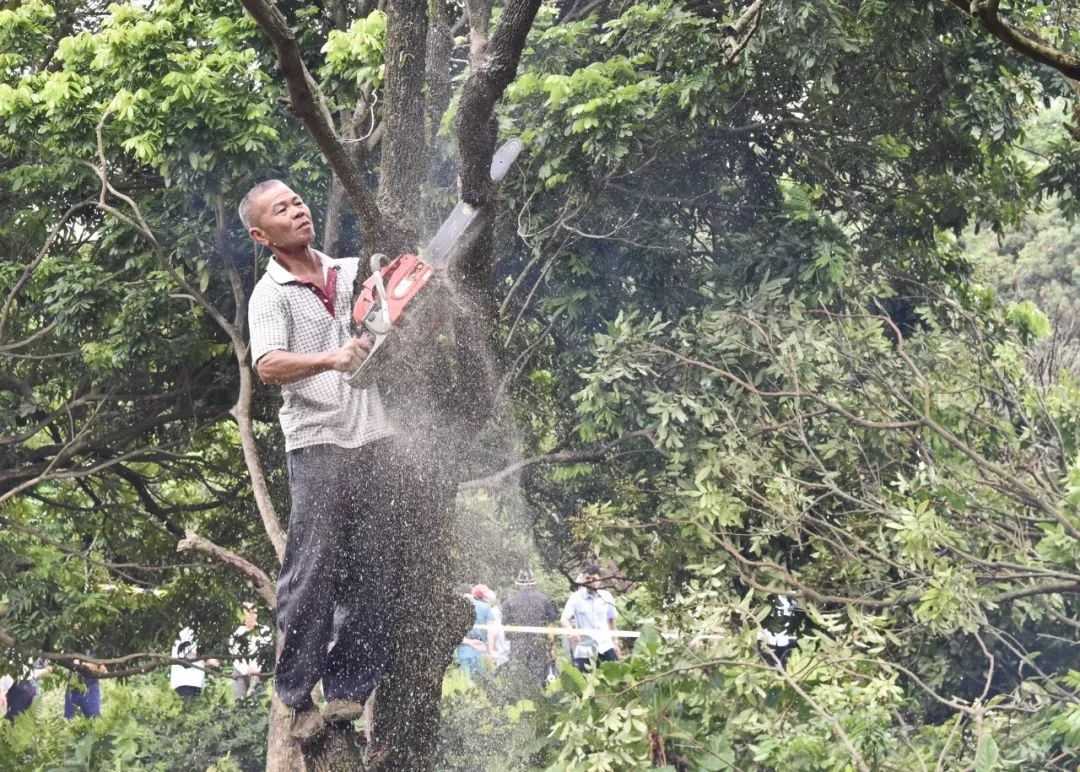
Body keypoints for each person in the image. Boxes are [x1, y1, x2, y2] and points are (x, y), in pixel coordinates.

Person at [242, 179, 433, 742]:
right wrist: (332, 357)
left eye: (298, 202)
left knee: (378, 567)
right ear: (261, 235)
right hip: (318, 442)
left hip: (376, 437)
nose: (297, 211)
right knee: (313, 571)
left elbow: (393, 317)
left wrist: (410, 299)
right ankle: (296, 696)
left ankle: (349, 688)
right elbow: (268, 365)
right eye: (281, 210)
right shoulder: (269, 294)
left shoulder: (350, 272)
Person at [502, 569, 559, 686]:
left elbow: (507, 627)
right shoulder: (544, 599)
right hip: (539, 643)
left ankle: (521, 694)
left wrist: (514, 639)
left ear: (518, 584)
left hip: (518, 644)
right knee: (538, 674)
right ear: (533, 584)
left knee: (519, 674)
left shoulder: (510, 602)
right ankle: (538, 693)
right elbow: (550, 626)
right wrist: (552, 647)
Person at [561, 564, 621, 672]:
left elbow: (611, 620)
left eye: (593, 579)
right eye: (587, 579)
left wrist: (615, 642)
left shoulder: (607, 596)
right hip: (584, 650)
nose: (590, 582)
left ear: (600, 580)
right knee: (583, 681)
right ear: (583, 580)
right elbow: (564, 619)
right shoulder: (575, 598)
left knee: (618, 676)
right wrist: (571, 632)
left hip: (605, 646)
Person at [229, 603, 272, 700]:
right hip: (240, 670)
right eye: (248, 612)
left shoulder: (265, 630)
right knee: (239, 700)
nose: (252, 615)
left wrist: (257, 668)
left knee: (257, 700)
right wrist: (246, 669)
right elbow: (233, 654)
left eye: (254, 612)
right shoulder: (237, 632)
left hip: (258, 670)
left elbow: (267, 652)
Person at [456, 586, 494, 680]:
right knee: (481, 681)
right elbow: (491, 632)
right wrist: (491, 652)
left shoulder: (461, 606)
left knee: (465, 681)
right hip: (481, 648)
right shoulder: (486, 608)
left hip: (464, 649)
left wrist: (468, 642)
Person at [170, 627, 219, 699]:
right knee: (189, 703)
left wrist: (211, 663)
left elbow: (198, 661)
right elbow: (194, 651)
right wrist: (211, 660)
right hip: (186, 683)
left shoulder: (197, 633)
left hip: (194, 683)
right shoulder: (188, 631)